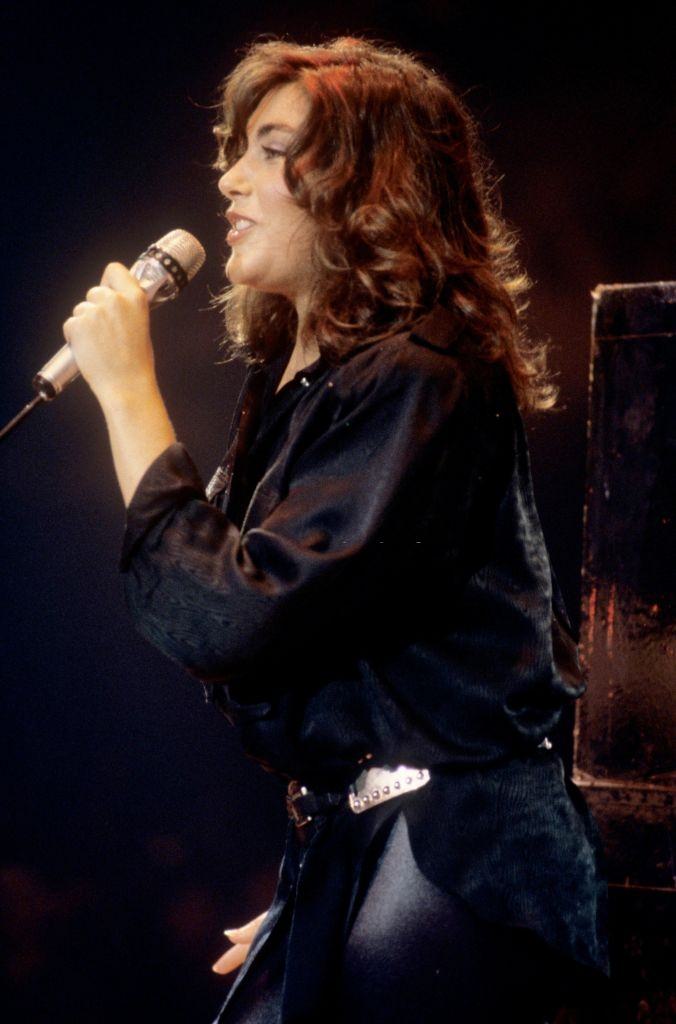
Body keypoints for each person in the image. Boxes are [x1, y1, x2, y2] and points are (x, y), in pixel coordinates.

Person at [63, 37, 609, 1024]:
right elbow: (235, 627)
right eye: (233, 149)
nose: (228, 178)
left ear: (367, 184)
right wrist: (318, 876)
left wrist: (129, 390)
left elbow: (237, 614)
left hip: (462, 854)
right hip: (375, 842)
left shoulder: (428, 372)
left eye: (269, 149)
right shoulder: (305, 389)